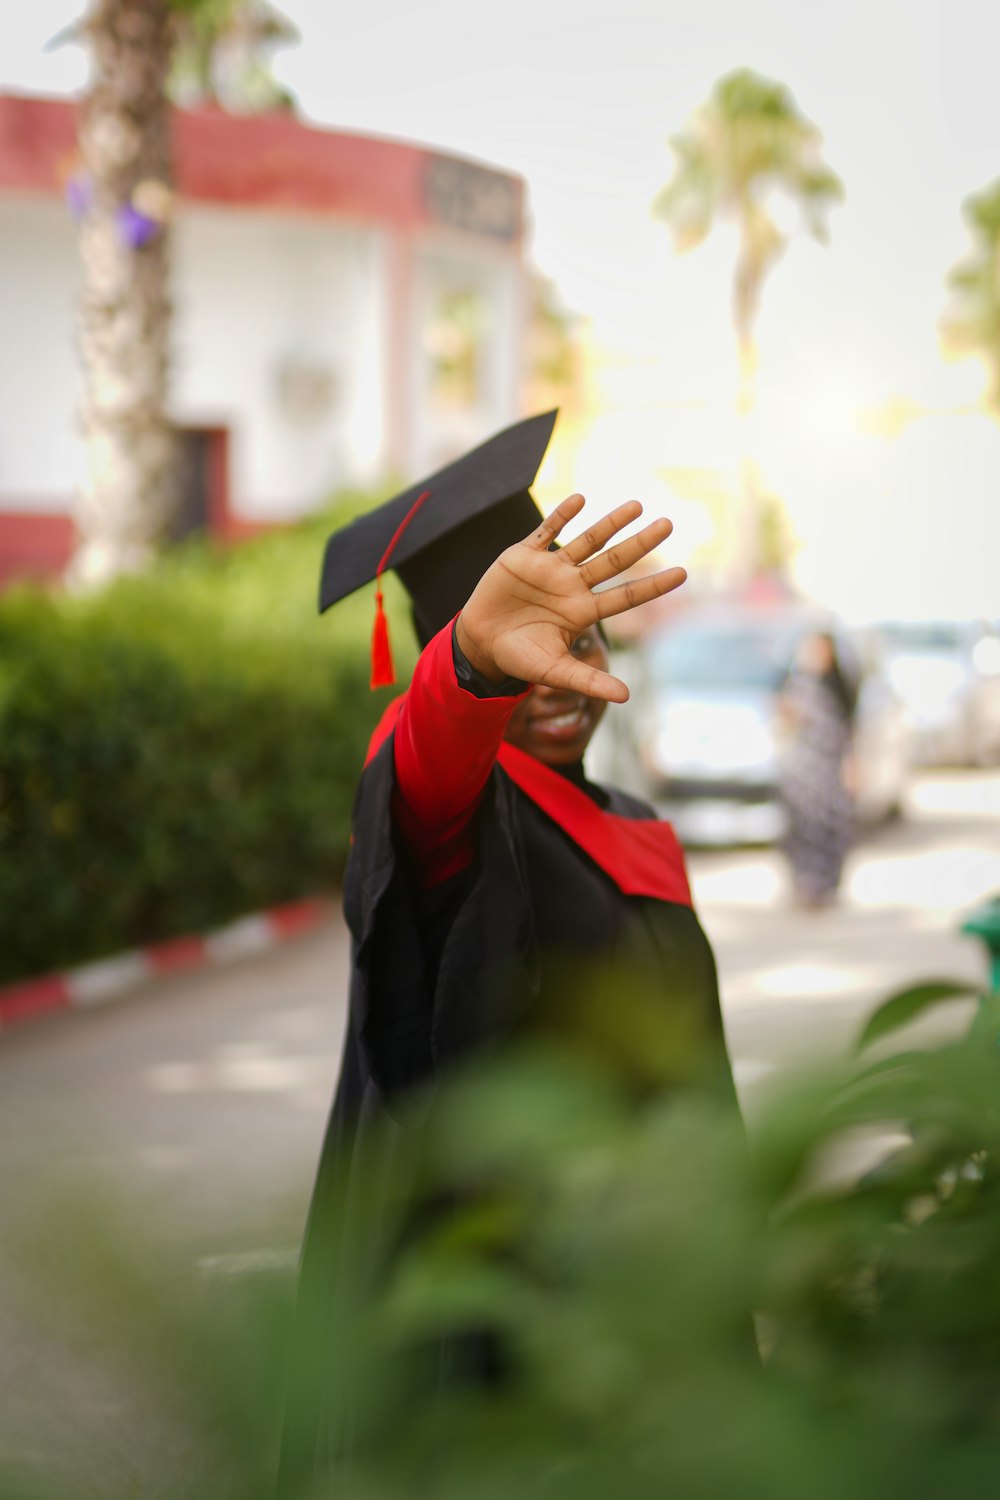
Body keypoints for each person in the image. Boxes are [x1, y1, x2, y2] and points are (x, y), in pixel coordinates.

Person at [278, 413, 741, 1490]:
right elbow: (430, 769)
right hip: (510, 1284)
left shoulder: (622, 818)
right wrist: (466, 678)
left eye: (578, 641)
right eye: (522, 658)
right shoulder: (451, 814)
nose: (558, 681)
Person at [778, 629, 859, 909]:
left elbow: (849, 729)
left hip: (829, 768)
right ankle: (804, 883)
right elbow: (784, 722)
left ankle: (826, 886)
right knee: (802, 825)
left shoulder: (838, 687)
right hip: (803, 770)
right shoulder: (796, 683)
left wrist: (853, 765)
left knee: (830, 826)